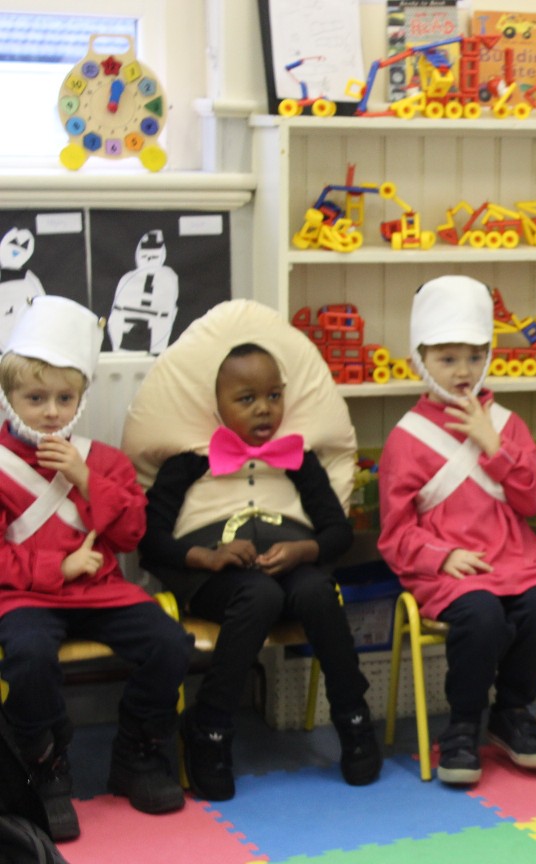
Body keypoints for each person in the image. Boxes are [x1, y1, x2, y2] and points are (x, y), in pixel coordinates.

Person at [139, 341, 380, 802]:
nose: (264, 410)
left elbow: (338, 532)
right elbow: (149, 540)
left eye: (274, 396)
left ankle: (353, 715)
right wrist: (206, 557)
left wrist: (304, 549)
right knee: (259, 596)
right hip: (215, 575)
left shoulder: (299, 459)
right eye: (246, 399)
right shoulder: (188, 461)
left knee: (318, 591)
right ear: (218, 404)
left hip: (289, 567)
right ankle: (209, 726)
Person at [0, 295, 190, 841]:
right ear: (10, 397)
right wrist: (56, 565)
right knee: (29, 656)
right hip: (26, 596)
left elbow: (131, 532)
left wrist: (86, 480)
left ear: (82, 398)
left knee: (168, 643)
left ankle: (139, 751)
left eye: (65, 397)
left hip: (102, 593)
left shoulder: (102, 459)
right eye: (35, 398)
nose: (51, 411)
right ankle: (46, 767)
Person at [378, 275, 536, 787]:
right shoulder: (406, 438)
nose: (463, 371)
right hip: (451, 572)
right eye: (447, 358)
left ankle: (511, 712)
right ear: (420, 361)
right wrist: (440, 557)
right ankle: (463, 723)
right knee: (482, 615)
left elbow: (531, 500)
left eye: (473, 356)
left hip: (516, 562)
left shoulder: (508, 423)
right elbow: (394, 535)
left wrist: (495, 446)